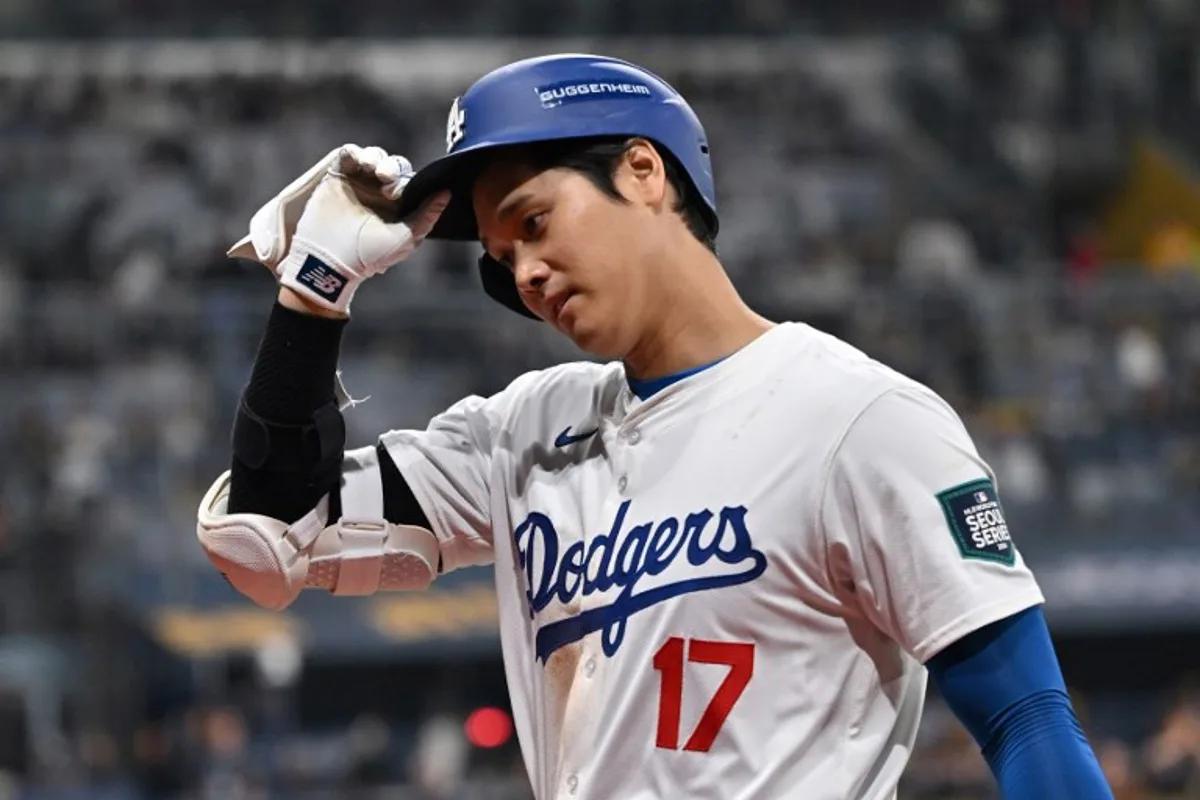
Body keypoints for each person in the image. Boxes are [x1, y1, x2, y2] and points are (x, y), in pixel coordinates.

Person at [197, 54, 1113, 798]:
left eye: (537, 220)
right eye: (504, 255)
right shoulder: (522, 430)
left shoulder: (863, 419)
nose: (524, 272)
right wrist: (314, 292)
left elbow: (1024, 717)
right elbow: (272, 528)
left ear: (643, 171)